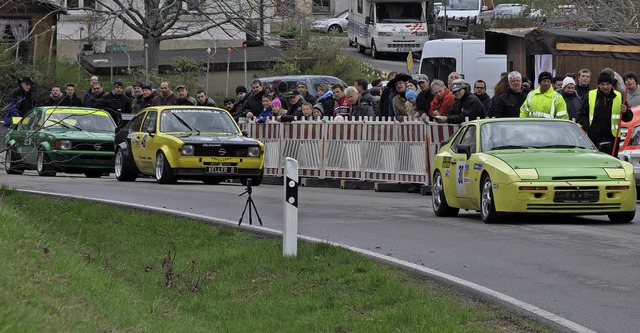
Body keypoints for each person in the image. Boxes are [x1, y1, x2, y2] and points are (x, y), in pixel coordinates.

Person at [578, 72, 633, 156]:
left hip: (612, 138)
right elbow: (581, 114)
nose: (605, 87)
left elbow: (628, 118)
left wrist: (625, 112)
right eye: (602, 84)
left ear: (611, 85)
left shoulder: (618, 96)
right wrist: (588, 127)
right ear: (598, 85)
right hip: (594, 137)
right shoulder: (591, 95)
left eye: (607, 84)